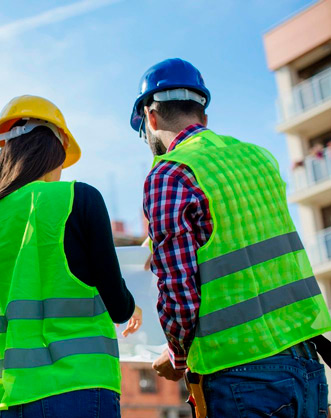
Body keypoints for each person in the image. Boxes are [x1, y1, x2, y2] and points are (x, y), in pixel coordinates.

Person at [131, 58, 331, 417]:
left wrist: (176, 355)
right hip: (307, 361)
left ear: (151, 117)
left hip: (242, 373)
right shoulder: (259, 157)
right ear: (203, 116)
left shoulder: (169, 173)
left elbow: (178, 290)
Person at [0, 95, 141, 418]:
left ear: (7, 153)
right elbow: (117, 304)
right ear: (55, 152)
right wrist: (132, 305)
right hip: (76, 390)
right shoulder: (78, 199)